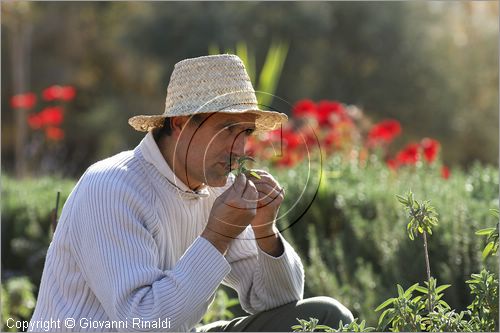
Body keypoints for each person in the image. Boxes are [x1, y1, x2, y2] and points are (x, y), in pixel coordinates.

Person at [29, 54, 353, 332]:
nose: (240, 150)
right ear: (183, 123)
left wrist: (265, 231)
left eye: (246, 132)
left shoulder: (217, 187)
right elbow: (144, 323)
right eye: (227, 130)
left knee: (325, 317)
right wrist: (218, 234)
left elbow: (279, 302)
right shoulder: (112, 187)